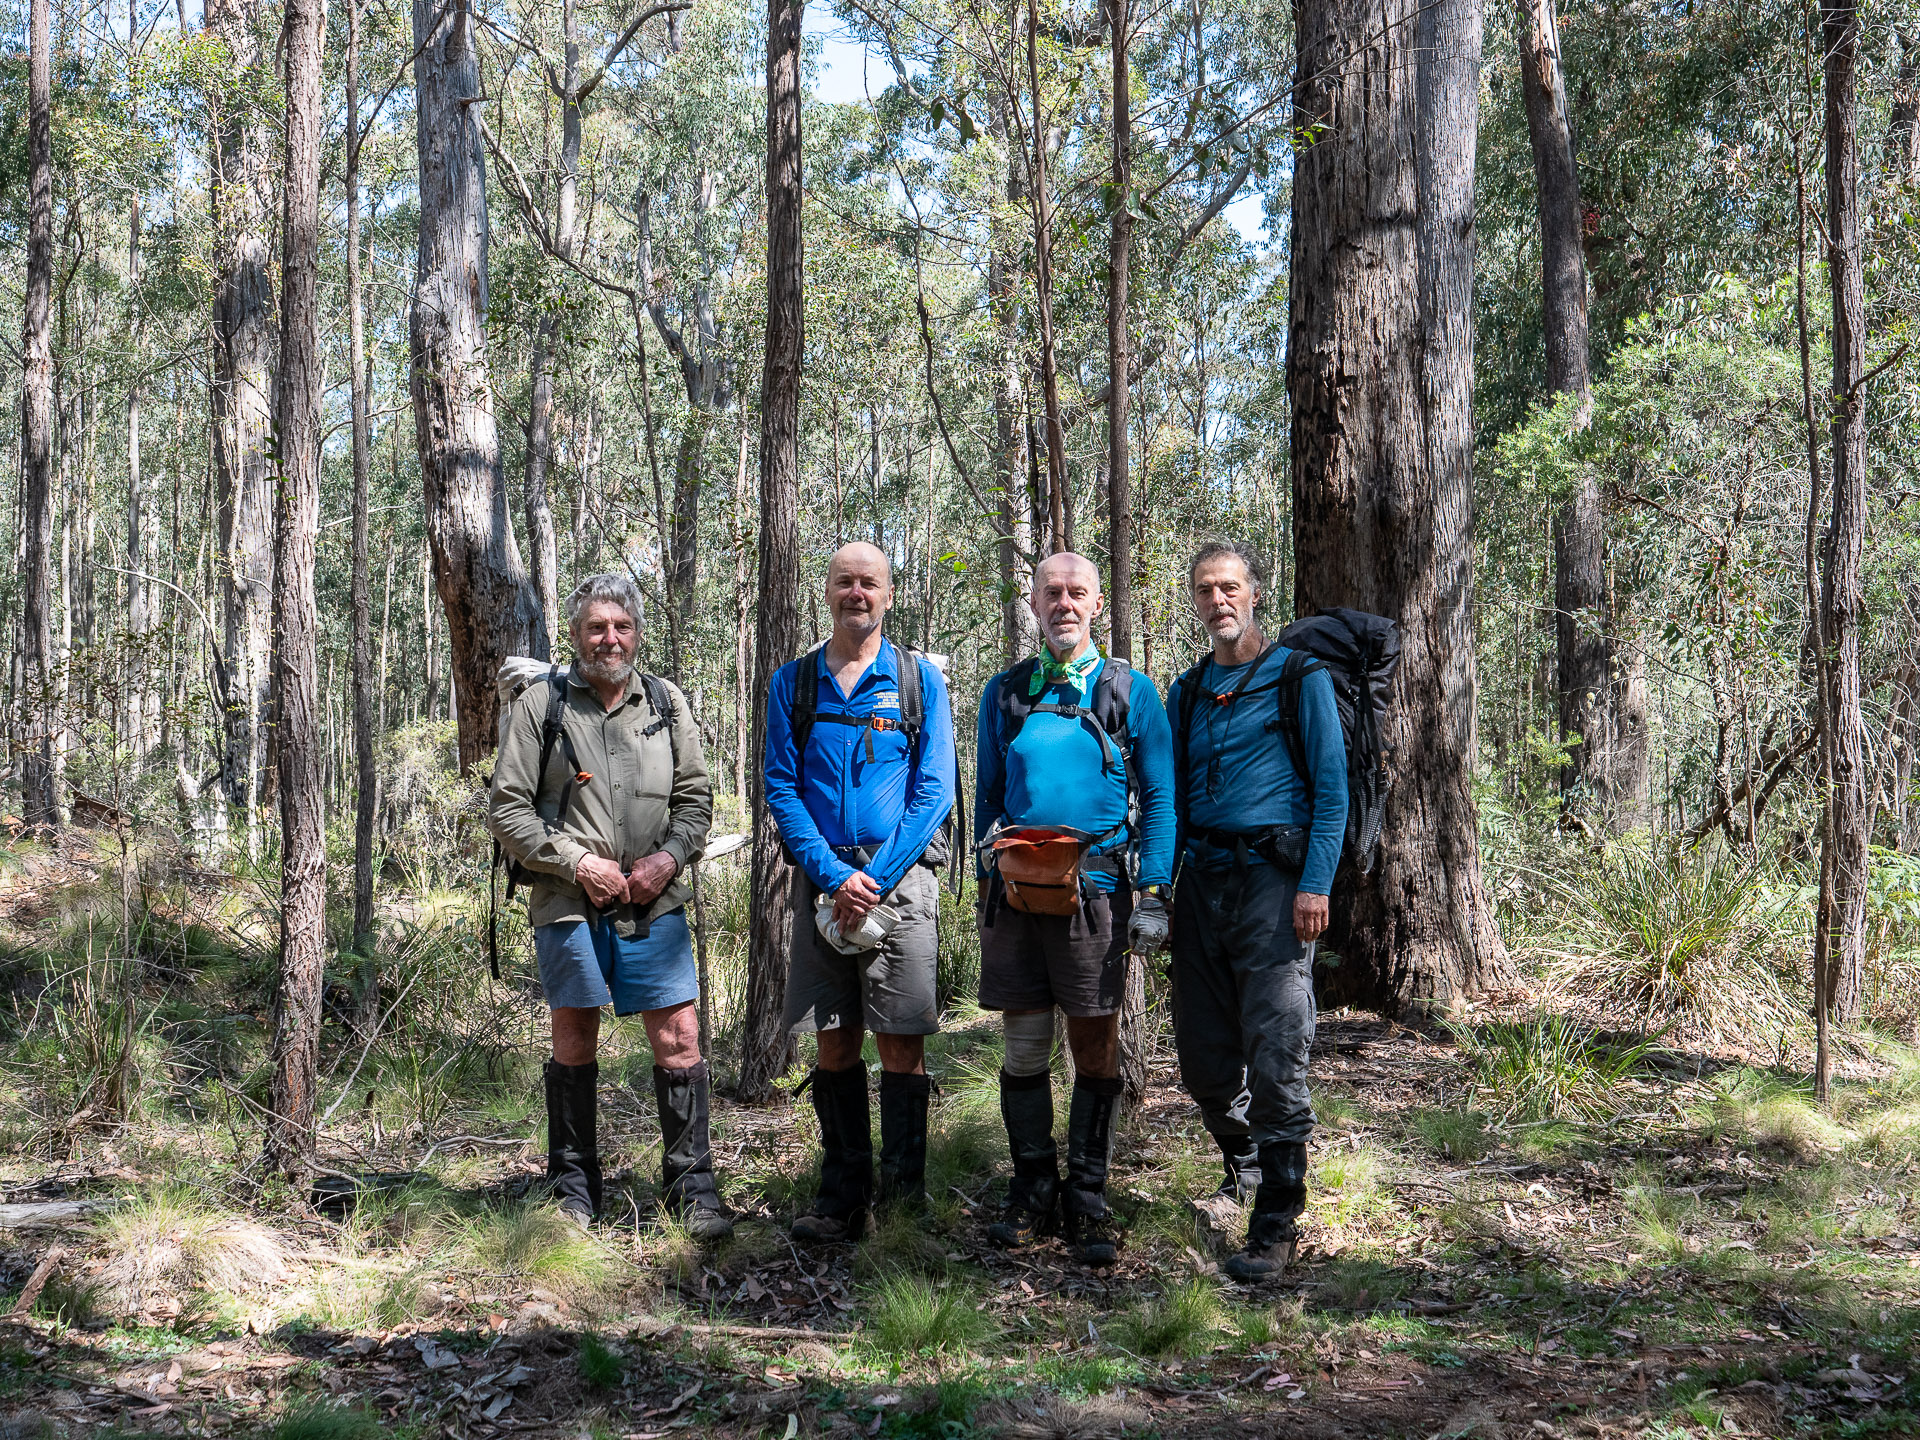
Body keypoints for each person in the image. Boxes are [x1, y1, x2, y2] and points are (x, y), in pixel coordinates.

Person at [488, 574, 728, 1238]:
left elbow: (696, 801)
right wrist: (579, 863)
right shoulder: (542, 705)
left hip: (656, 900)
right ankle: (573, 1191)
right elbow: (507, 809)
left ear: (637, 632)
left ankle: (693, 1190)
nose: (610, 638)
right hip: (568, 900)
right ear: (575, 635)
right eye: (596, 627)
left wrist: (668, 859)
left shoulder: (667, 703)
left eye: (621, 626)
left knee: (679, 1038)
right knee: (573, 1036)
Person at [973, 552, 1175, 1266]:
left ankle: (1088, 1200)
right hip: (1020, 897)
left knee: (1093, 1045)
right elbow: (988, 801)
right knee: (1025, 1048)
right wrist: (986, 868)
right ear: (1033, 602)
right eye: (1051, 593)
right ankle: (1032, 1193)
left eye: (1076, 593)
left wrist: (1152, 893)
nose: (1063, 603)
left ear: (1097, 605)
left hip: (1097, 895)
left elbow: (1158, 798)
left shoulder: (1129, 690)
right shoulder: (1005, 693)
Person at [764, 541, 958, 1242]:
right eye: (844, 581)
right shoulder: (793, 683)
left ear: (888, 593)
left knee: (902, 1042)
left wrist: (873, 879)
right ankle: (841, 1199)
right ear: (828, 592)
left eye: (868, 583)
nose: (857, 593)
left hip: (899, 889)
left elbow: (934, 791)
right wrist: (833, 874)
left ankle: (904, 1205)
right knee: (835, 1040)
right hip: (821, 891)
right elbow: (781, 789)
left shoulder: (915, 681)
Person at [1166, 541, 1347, 1280]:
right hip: (1199, 885)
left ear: (1255, 593)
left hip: (1275, 888)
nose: (1219, 601)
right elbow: (1169, 798)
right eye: (1207, 589)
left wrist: (1316, 884)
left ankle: (1276, 1216)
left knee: (1276, 1051)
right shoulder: (1185, 691)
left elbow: (1333, 788)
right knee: (1205, 1062)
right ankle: (1244, 1160)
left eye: (1230, 587)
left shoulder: (1297, 677)